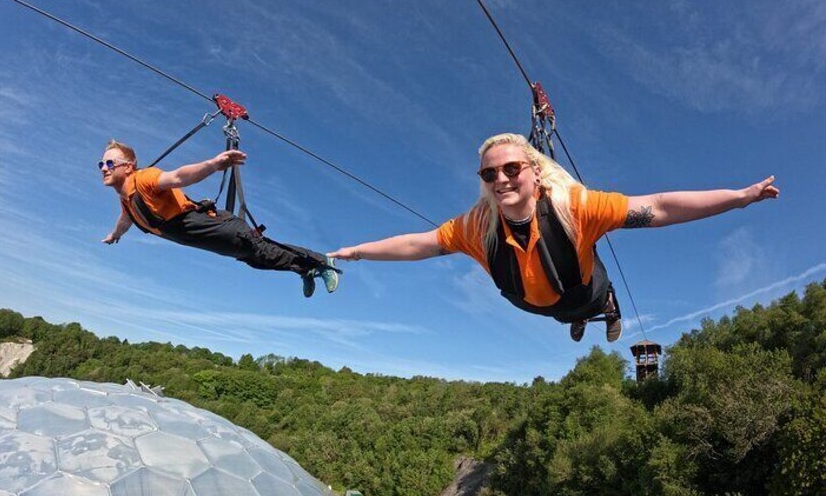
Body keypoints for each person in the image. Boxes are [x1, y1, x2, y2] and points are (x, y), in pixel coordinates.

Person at [329, 133, 779, 342]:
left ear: (534, 171)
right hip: (536, 303)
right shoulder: (476, 226)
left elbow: (659, 206)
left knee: (591, 299)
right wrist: (359, 252)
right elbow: (418, 244)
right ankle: (577, 319)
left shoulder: (576, 207)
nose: (501, 179)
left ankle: (605, 310)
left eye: (511, 168)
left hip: (583, 287)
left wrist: (739, 197)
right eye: (490, 173)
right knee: (565, 316)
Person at [100, 139, 339, 297]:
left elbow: (178, 177)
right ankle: (304, 269)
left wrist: (213, 164)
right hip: (199, 237)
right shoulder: (127, 200)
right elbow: (125, 220)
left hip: (210, 224)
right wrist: (115, 235)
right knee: (255, 259)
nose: (104, 167)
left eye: (110, 163)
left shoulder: (145, 179)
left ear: (129, 167)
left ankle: (321, 261)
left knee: (259, 248)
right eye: (101, 163)